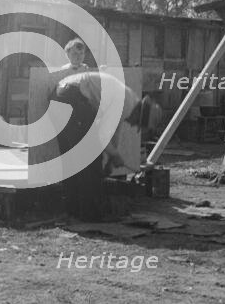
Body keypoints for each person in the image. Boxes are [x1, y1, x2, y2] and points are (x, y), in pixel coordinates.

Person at [50, 70, 157, 220]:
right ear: (138, 115)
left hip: (58, 95)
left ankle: (73, 210)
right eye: (136, 123)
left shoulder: (128, 100)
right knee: (91, 157)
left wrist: (111, 163)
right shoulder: (125, 103)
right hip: (73, 96)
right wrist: (114, 155)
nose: (132, 125)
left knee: (72, 157)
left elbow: (114, 133)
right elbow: (102, 136)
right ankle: (91, 214)